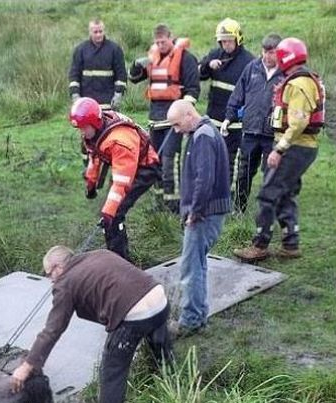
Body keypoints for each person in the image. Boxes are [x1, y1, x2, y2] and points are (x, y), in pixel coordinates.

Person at [10, 246, 173, 403]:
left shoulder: (65, 283)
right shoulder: (99, 253)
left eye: (49, 273)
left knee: (113, 369)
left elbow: (53, 330)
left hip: (134, 315)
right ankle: (171, 380)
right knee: (159, 342)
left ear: (58, 267)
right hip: (159, 299)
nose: (50, 280)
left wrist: (27, 366)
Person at [233, 38, 324, 261]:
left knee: (267, 194)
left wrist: (279, 149)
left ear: (285, 57)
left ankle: (260, 245)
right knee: (285, 193)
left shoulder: (297, 84)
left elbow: (299, 122)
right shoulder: (303, 80)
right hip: (303, 146)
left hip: (294, 147)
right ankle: (290, 245)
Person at [166, 100, 231, 336]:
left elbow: (204, 179)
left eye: (176, 124)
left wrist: (195, 211)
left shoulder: (203, 136)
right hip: (210, 210)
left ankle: (190, 320)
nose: (176, 130)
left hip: (205, 213)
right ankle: (199, 315)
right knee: (199, 263)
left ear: (188, 115)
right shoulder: (204, 132)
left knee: (190, 267)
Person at [69, 97, 161, 261]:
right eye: (80, 129)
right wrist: (91, 184)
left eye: (84, 128)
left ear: (94, 122)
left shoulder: (120, 141)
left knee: (115, 213)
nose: (82, 132)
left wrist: (109, 212)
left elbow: (121, 183)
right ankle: (113, 255)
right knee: (108, 213)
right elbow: (95, 157)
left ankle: (121, 262)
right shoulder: (95, 132)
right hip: (125, 165)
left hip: (145, 169)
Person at [129, 24, 200, 214]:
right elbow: (134, 78)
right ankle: (159, 203)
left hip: (173, 123)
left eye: (163, 42)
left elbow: (194, 90)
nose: (160, 45)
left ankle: (175, 206)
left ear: (171, 38)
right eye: (157, 42)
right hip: (155, 119)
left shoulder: (186, 58)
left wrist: (183, 111)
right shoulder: (152, 58)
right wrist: (137, 65)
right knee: (155, 161)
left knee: (170, 162)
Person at [224, 33, 284, 213]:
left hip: (273, 134)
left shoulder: (287, 73)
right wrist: (229, 117)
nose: (267, 56)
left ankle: (268, 213)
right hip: (250, 131)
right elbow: (237, 94)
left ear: (280, 53)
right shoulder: (252, 68)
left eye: (272, 52)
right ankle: (238, 210)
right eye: (264, 52)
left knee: (271, 174)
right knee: (243, 173)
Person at [198, 18, 254, 193]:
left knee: (232, 162)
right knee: (211, 158)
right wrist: (208, 65)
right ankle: (211, 192)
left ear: (238, 39)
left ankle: (229, 198)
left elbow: (252, 94)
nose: (226, 45)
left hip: (235, 123)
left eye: (229, 41)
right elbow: (198, 74)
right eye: (223, 41)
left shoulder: (249, 62)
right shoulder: (215, 54)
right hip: (213, 118)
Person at [68, 19, 128, 111]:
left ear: (104, 31)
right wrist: (75, 96)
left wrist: (118, 95)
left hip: (109, 103)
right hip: (86, 104)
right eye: (95, 32)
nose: (98, 34)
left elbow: (121, 75)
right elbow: (74, 75)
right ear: (90, 32)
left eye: (101, 31)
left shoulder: (115, 49)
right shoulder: (80, 50)